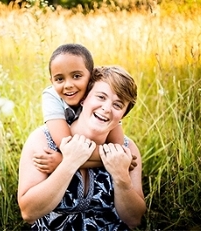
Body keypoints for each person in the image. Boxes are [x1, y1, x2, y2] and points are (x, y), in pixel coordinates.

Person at [18, 65, 146, 230]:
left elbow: (134, 220)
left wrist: (121, 178)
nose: (106, 109)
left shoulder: (127, 150)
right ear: (84, 98)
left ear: (123, 114)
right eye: (100, 97)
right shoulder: (44, 140)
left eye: (117, 105)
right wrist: (69, 163)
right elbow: (29, 213)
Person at [36, 44, 136, 173]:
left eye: (76, 76)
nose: (68, 85)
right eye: (59, 79)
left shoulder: (105, 101)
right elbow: (68, 147)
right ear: (52, 81)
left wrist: (62, 162)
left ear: (91, 77)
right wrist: (115, 159)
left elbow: (117, 148)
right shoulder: (52, 96)